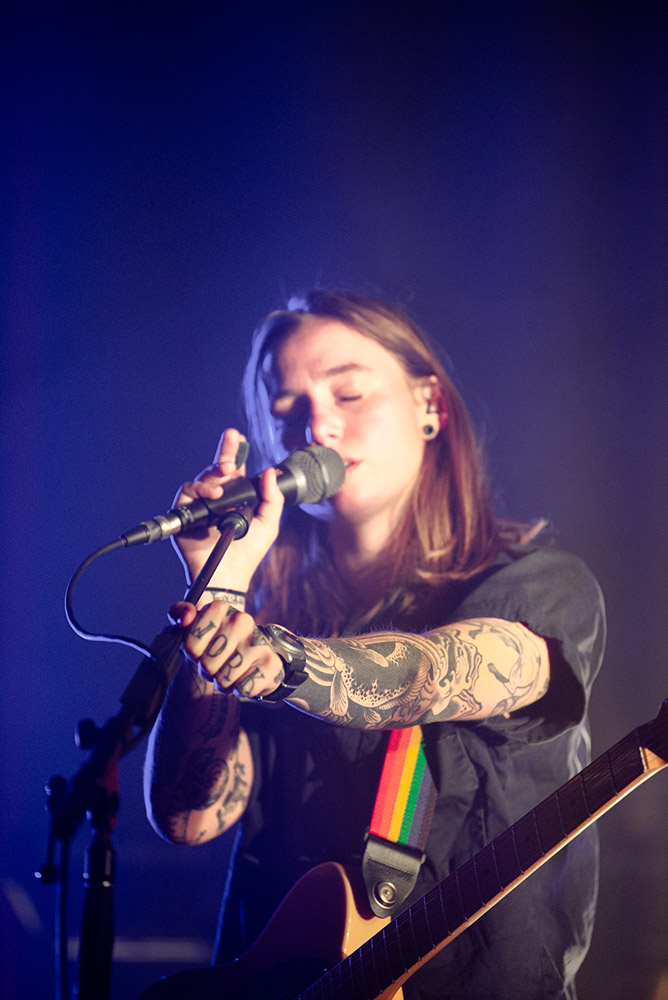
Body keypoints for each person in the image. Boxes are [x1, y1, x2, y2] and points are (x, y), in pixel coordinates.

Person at [143, 290, 605, 999]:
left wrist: (286, 663)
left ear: (431, 406)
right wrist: (220, 586)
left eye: (350, 392)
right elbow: (190, 817)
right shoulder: (269, 614)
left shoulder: (544, 588)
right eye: (286, 412)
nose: (317, 426)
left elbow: (432, 672)